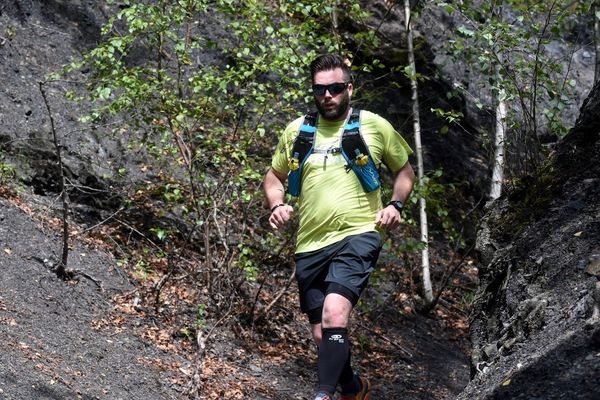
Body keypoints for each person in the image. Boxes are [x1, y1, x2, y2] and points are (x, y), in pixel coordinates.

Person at [263, 53, 415, 400]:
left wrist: (396, 204)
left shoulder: (373, 126)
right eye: (320, 89)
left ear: (349, 88)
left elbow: (405, 172)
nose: (327, 95)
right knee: (323, 335)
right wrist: (277, 204)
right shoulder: (298, 131)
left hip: (359, 234)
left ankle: (322, 395)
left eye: (334, 88)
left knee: (335, 312)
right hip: (309, 244)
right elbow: (274, 175)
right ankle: (353, 388)